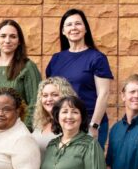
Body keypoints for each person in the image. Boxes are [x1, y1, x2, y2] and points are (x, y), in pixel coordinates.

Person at [46, 8, 114, 147]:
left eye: (78, 23)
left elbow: (104, 94)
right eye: (69, 25)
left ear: (85, 29)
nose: (74, 28)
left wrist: (94, 125)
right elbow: (50, 93)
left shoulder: (97, 58)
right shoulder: (56, 59)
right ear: (63, 31)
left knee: (89, 161)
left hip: (88, 124)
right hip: (63, 124)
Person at [0, 19, 41, 129]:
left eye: (13, 36)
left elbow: (35, 103)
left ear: (19, 41)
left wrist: (24, 130)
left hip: (18, 131)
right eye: (3, 36)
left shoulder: (28, 67)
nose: (7, 40)